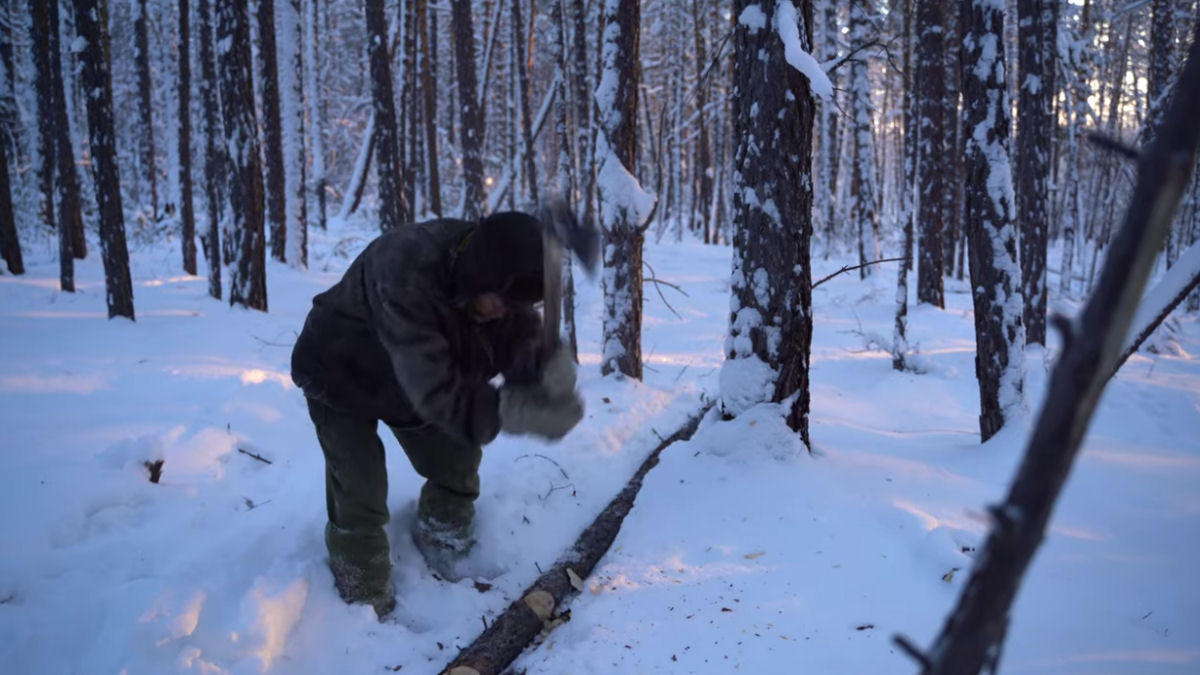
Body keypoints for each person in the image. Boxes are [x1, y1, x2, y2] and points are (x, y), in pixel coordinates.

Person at [291, 210, 585, 618]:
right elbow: (439, 393)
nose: (504, 311)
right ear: (478, 273)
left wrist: (544, 371)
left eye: (515, 304)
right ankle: (365, 610)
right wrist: (515, 411)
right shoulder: (405, 267)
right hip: (340, 371)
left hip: (409, 383)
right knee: (360, 494)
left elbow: (517, 338)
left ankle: (445, 549)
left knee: (456, 465)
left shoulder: (499, 285)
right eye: (500, 301)